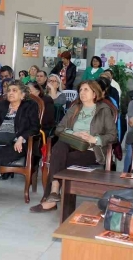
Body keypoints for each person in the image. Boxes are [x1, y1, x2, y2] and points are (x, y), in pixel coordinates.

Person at [30, 80, 117, 213]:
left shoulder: (104, 110)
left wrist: (94, 138)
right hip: (72, 143)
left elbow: (113, 135)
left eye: (86, 90)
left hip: (92, 150)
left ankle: (51, 198)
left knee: (61, 159)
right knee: (59, 146)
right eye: (80, 90)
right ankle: (54, 189)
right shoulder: (75, 107)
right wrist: (74, 133)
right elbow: (59, 129)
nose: (82, 93)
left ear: (95, 93)